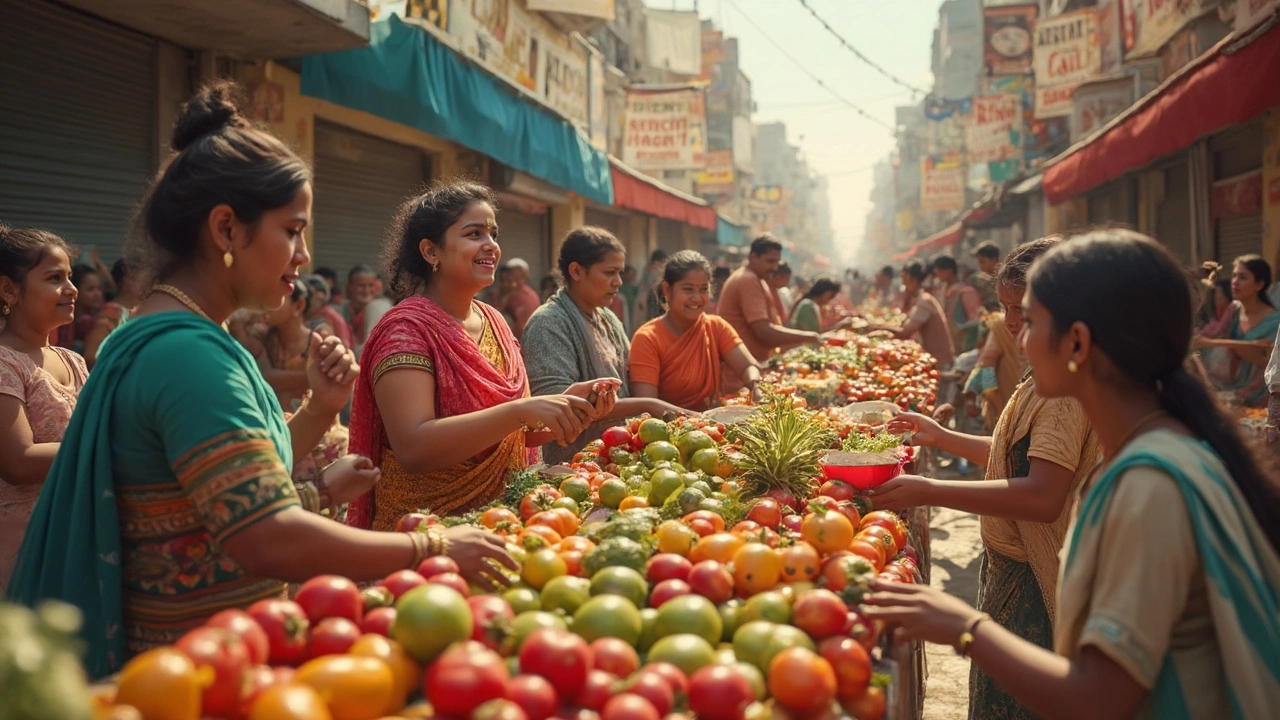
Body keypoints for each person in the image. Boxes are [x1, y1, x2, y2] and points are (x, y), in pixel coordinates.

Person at [7, 83, 518, 677]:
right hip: (189, 676)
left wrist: (319, 422)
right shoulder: (186, 355)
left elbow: (215, 498)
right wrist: (429, 546)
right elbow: (264, 537)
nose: (302, 255)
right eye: (293, 230)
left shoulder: (163, 336)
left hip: (200, 661)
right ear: (226, 230)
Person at [862, 228, 1280, 719]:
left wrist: (963, 627)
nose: (1018, 336)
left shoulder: (1149, 487)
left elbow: (1099, 699)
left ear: (1077, 342)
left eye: (1030, 320)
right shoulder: (1169, 450)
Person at [876, 238, 1099, 719]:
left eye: (1025, 313)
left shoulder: (1061, 391)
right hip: (1010, 563)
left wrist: (931, 490)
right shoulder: (1042, 374)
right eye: (1006, 309)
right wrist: (940, 437)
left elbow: (1043, 495)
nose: (1013, 328)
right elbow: (1011, 457)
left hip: (1036, 581)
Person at [346, 183, 607, 529]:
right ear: (430, 252)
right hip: (425, 535)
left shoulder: (494, 322)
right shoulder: (406, 331)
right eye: (474, 234)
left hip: (504, 521)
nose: (491, 246)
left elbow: (509, 438)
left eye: (494, 234)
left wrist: (567, 407)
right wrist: (521, 410)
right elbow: (413, 447)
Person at [522, 226, 681, 465]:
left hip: (617, 460)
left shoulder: (607, 318)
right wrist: (649, 404)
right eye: (609, 272)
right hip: (573, 467)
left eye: (620, 272)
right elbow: (554, 404)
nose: (618, 282)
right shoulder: (548, 323)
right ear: (576, 271)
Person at [0, 226, 89, 592]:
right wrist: (103, 440)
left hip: (73, 540)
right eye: (55, 278)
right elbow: (18, 461)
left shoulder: (74, 361)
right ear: (9, 290)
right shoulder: (5, 363)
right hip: (21, 548)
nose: (72, 290)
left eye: (69, 276)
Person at [630, 251, 762, 411]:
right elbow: (647, 406)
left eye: (703, 289)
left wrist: (755, 386)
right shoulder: (648, 338)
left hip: (713, 428)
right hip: (667, 431)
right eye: (688, 289)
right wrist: (696, 420)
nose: (697, 298)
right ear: (667, 289)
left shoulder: (716, 327)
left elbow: (748, 366)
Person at [718, 235, 823, 391]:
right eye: (770, 261)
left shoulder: (756, 279)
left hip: (753, 372)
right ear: (753, 257)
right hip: (741, 379)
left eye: (777, 262)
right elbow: (764, 332)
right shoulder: (747, 279)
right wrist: (809, 336)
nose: (774, 267)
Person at [1194, 255, 1279, 407]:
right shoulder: (1234, 309)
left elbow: (1268, 362)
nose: (1235, 282)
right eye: (1234, 276)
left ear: (1259, 284)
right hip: (1228, 391)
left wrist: (1229, 346)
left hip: (1261, 397)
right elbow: (1211, 339)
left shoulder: (1275, 322)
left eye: (1242, 277)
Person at [867, 260, 954, 369]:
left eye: (905, 281)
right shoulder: (918, 299)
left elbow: (905, 332)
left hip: (939, 361)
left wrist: (878, 328)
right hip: (931, 359)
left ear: (912, 279)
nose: (904, 286)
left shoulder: (924, 301)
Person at [83, 258, 144, 369]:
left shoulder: (136, 311)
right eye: (144, 278)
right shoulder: (112, 312)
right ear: (127, 280)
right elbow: (91, 356)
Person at [934, 255, 984, 354]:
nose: (937, 273)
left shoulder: (966, 292)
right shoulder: (943, 290)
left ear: (949, 270)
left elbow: (976, 320)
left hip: (965, 347)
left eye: (939, 270)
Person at [341, 264, 392, 358]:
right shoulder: (340, 310)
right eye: (361, 285)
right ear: (350, 286)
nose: (367, 291)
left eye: (371, 285)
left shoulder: (380, 307)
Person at [302, 274, 354, 348]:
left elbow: (344, 346)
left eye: (320, 300)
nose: (315, 304)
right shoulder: (297, 316)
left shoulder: (333, 318)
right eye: (310, 298)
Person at [788, 278, 854, 334]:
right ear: (823, 291)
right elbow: (812, 335)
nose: (831, 299)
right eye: (831, 295)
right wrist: (840, 325)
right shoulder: (807, 305)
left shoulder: (813, 305)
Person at [501, 258, 541, 338]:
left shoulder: (528, 296)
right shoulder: (509, 293)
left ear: (522, 272)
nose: (509, 276)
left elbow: (524, 327)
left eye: (512, 272)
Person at [635, 249, 668, 325]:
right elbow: (649, 285)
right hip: (649, 298)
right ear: (657, 261)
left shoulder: (649, 269)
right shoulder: (652, 270)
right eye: (663, 261)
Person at [971, 241, 1002, 312]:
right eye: (979, 262)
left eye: (983, 262)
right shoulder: (978, 279)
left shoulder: (1005, 278)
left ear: (993, 260)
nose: (980, 265)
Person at [618, 265, 640, 333]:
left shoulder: (635, 289)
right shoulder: (620, 289)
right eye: (630, 275)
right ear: (624, 275)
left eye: (633, 275)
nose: (632, 277)